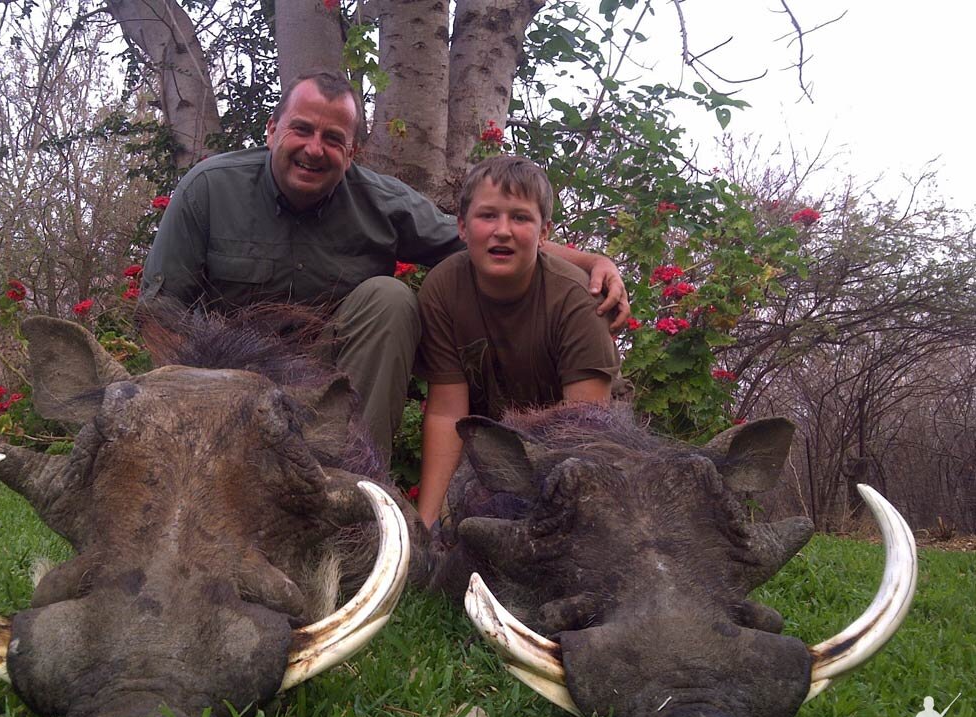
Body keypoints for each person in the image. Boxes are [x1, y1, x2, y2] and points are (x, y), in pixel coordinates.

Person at [142, 69, 629, 459]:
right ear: (272, 131)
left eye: (334, 139)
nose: (315, 149)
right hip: (226, 380)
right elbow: (161, 316)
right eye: (301, 129)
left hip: (327, 383)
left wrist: (591, 262)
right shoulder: (207, 189)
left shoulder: (383, 203)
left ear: (353, 152)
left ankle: (353, 480)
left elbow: (483, 240)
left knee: (390, 298)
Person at [413, 155, 619, 528]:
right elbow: (447, 414)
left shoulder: (577, 299)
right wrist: (428, 525)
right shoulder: (442, 289)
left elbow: (587, 430)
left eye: (521, 218)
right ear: (461, 226)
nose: (503, 230)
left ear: (544, 234)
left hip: (586, 446)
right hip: (494, 449)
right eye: (488, 216)